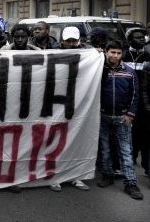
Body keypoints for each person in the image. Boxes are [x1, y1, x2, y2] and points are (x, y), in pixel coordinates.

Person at [97, 40, 143, 199]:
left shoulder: (130, 72)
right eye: (112, 52)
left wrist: (130, 115)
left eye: (118, 53)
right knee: (104, 148)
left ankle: (130, 183)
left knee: (126, 150)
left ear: (122, 53)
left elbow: (135, 96)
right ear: (106, 52)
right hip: (103, 115)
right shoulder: (98, 70)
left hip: (122, 118)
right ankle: (107, 175)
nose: (115, 56)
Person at [48, 26, 89, 192]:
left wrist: (98, 55)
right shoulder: (52, 54)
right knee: (56, 141)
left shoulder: (87, 55)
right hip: (57, 103)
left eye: (74, 41)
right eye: (68, 41)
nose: (71, 44)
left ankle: (75, 176)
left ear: (78, 41)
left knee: (76, 139)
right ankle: (54, 176)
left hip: (77, 104)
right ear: (62, 41)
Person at [122, 28, 150, 179]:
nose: (142, 39)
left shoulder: (148, 55)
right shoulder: (124, 54)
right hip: (127, 100)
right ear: (129, 40)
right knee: (129, 132)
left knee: (145, 134)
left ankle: (147, 166)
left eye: (143, 37)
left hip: (143, 101)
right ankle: (129, 159)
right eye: (138, 37)